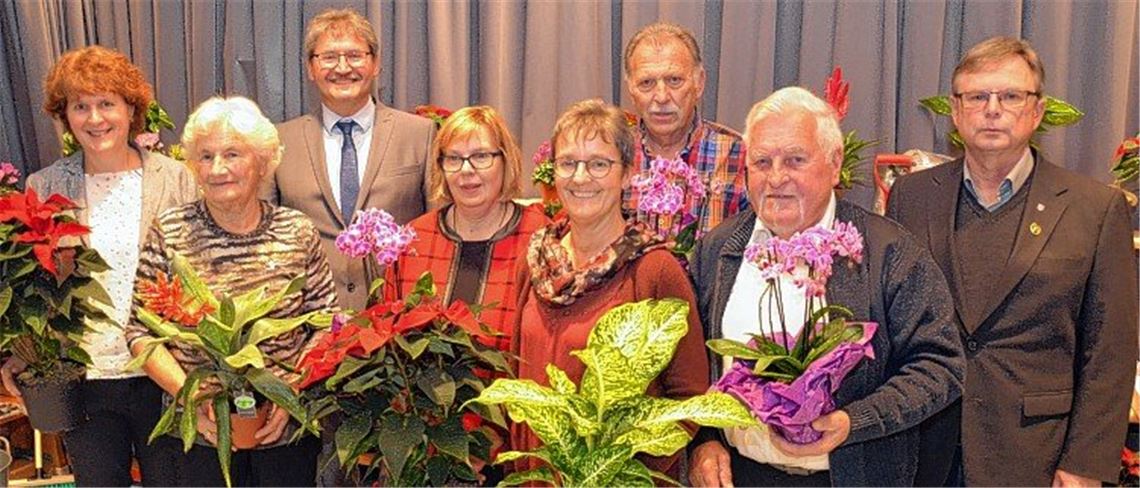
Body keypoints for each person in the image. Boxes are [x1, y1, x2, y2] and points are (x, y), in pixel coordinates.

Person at [887, 36, 1139, 487]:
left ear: (1038, 111)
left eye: (1010, 96)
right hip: (925, 451)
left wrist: (1085, 462)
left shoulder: (1095, 209)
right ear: (956, 110)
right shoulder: (912, 197)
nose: (992, 109)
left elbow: (1111, 350)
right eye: (978, 96)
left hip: (1035, 456)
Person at [687, 87, 964, 487]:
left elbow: (941, 367)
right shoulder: (717, 252)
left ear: (835, 165)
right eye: (761, 162)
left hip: (850, 478)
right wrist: (706, 439)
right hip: (743, 476)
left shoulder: (888, 251)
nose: (776, 177)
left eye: (795, 160)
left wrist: (854, 422)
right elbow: (691, 372)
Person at [0, 45, 197, 487]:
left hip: (162, 371)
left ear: (131, 109)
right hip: (84, 379)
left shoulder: (177, 180)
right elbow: (31, 283)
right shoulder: (46, 185)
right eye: (80, 106)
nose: (95, 119)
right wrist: (20, 351)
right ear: (65, 116)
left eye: (107, 103)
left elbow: (199, 274)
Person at [125, 96, 337, 487]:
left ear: (262, 162)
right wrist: (192, 396)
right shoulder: (170, 231)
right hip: (201, 433)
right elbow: (140, 333)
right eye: (205, 157)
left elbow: (326, 322)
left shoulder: (297, 230)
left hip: (285, 430)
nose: (218, 169)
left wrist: (289, 394)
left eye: (232, 154)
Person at [511, 99, 710, 480]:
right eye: (568, 163)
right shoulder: (536, 260)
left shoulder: (654, 269)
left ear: (627, 174)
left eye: (599, 164)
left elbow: (688, 397)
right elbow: (515, 374)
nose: (581, 178)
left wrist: (620, 474)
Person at [270, 8, 436, 312]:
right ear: (310, 68)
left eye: (355, 56)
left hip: (399, 325)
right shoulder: (279, 142)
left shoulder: (420, 134)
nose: (343, 68)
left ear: (375, 64)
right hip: (308, 322)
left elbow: (440, 230)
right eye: (329, 57)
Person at [384, 105, 548, 352]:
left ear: (506, 160)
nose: (466, 170)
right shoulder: (413, 239)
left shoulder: (542, 237)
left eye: (481, 156)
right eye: (454, 158)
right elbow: (389, 335)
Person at [622, 22, 748, 235]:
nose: (661, 97)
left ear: (699, 82)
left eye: (674, 80)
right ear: (631, 89)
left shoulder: (739, 153)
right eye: (646, 83)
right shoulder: (615, 155)